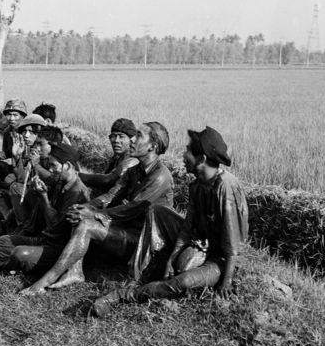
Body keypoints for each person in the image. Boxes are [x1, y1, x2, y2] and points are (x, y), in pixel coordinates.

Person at [92, 126, 249, 317]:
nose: (183, 155)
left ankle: (123, 295)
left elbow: (232, 243)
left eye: (188, 151)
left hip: (222, 259)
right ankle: (141, 272)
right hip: (200, 244)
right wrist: (172, 259)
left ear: (202, 159)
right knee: (157, 211)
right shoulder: (196, 185)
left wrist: (227, 281)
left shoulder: (226, 187)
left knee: (182, 282)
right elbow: (187, 228)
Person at [20, 122, 174, 294]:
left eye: (138, 136)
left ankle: (46, 279)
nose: (132, 139)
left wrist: (94, 213)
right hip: (129, 231)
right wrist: (84, 207)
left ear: (152, 146)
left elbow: (132, 209)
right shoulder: (135, 170)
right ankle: (74, 271)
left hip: (146, 243)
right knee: (80, 212)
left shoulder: (160, 176)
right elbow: (109, 197)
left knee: (86, 224)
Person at [0, 142, 90, 272]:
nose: (50, 170)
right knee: (4, 241)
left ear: (67, 166)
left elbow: (55, 226)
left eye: (53, 165)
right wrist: (37, 193)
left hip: (59, 248)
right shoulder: (60, 182)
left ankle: (7, 265)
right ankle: (20, 264)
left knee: (19, 253)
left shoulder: (77, 193)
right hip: (45, 239)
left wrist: (44, 196)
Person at [0, 99, 28, 243]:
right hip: (15, 165)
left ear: (22, 116)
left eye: (15, 115)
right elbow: (7, 152)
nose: (11, 118)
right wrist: (0, 155)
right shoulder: (8, 132)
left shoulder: (28, 132)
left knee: (11, 182)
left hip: (26, 170)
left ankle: (10, 212)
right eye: (9, 115)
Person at [79, 118, 138, 195]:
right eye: (113, 136)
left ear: (131, 139)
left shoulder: (131, 160)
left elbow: (108, 180)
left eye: (121, 137)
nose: (116, 140)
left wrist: (77, 175)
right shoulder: (117, 157)